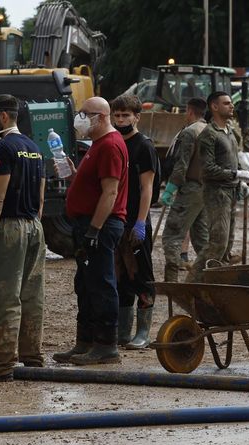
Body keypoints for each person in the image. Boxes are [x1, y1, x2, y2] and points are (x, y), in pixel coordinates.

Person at [0, 94, 46, 382]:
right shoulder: (34, 147)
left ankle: (0, 365)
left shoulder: (3, 148)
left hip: (10, 227)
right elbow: (40, 198)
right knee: (32, 295)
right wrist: (34, 225)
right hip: (34, 226)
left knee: (4, 296)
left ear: (4, 116)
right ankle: (32, 357)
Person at [52, 96, 128, 365]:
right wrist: (74, 175)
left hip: (101, 226)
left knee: (101, 285)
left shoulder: (109, 145)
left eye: (85, 114)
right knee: (85, 285)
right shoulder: (98, 144)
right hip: (88, 224)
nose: (80, 118)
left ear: (102, 117)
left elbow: (110, 192)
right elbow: (95, 186)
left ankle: (106, 346)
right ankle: (85, 342)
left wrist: (94, 230)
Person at [109, 95, 158, 350]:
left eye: (125, 115)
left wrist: (140, 222)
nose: (120, 120)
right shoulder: (114, 143)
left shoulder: (144, 146)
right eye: (117, 115)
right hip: (117, 220)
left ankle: (143, 332)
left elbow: (147, 188)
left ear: (136, 117)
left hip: (136, 220)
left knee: (142, 275)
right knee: (121, 276)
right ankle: (123, 332)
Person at [187, 92, 249, 281]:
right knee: (218, 242)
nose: (231, 106)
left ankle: (213, 281)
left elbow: (234, 159)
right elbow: (207, 169)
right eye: (226, 103)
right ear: (214, 107)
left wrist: (240, 181)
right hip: (217, 193)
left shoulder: (230, 132)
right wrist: (235, 174)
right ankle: (192, 282)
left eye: (231, 103)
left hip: (231, 190)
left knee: (227, 244)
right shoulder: (209, 134)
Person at [160, 98, 209, 283]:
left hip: (190, 189)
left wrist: (170, 188)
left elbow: (182, 164)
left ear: (189, 111)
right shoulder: (210, 130)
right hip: (205, 189)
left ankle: (171, 282)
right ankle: (208, 279)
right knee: (202, 238)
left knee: (171, 235)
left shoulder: (190, 132)